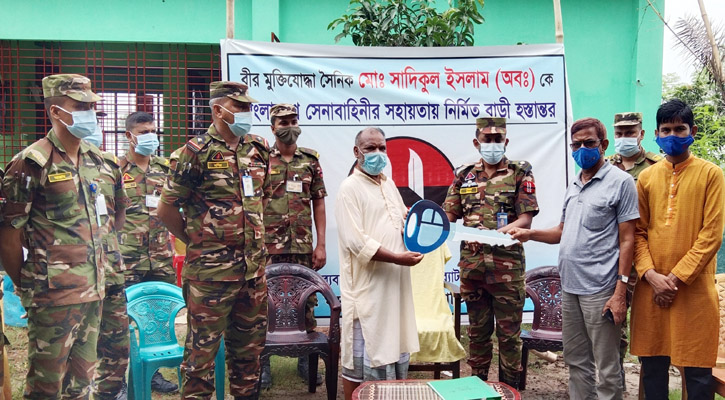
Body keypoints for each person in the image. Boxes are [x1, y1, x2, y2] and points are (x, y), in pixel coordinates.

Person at [509, 117, 639, 399]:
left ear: (603, 145)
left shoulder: (622, 182)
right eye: (576, 145)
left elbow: (628, 239)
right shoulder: (575, 183)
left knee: (607, 367)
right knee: (577, 361)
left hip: (601, 289)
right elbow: (561, 231)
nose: (582, 149)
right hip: (570, 288)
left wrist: (620, 291)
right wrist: (529, 234)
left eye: (589, 143)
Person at [158, 81, 270, 400]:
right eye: (240, 107)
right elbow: (166, 209)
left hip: (252, 275)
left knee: (249, 357)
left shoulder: (258, 149)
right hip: (210, 277)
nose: (247, 112)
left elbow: (260, 200)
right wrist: (197, 240)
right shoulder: (194, 153)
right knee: (200, 360)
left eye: (248, 107)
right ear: (219, 110)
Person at [0, 74, 106, 399]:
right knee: (46, 388)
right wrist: (25, 285)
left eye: (92, 107)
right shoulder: (31, 163)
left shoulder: (93, 158)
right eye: (81, 107)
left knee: (83, 384)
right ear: (56, 112)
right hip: (52, 296)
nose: (90, 113)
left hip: (93, 290)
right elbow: (8, 236)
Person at [630, 99, 724, 400]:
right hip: (651, 290)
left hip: (693, 291)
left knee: (698, 375)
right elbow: (638, 232)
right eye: (666, 129)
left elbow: (711, 235)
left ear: (692, 131)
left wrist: (673, 280)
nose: (672, 135)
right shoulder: (646, 178)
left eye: (679, 129)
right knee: (653, 368)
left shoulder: (711, 174)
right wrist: (651, 275)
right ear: (656, 133)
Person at [442, 117, 539, 389]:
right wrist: (425, 220)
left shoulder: (520, 172)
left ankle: (510, 391)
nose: (493, 144)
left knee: (509, 338)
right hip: (473, 270)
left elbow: (525, 219)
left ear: (506, 141)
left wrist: (494, 235)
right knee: (478, 336)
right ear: (477, 142)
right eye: (488, 139)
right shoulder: (464, 175)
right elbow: (448, 216)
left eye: (498, 139)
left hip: (506, 270)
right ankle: (478, 389)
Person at [336, 127, 423, 400]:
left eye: (382, 148)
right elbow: (356, 242)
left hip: (394, 285)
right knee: (358, 363)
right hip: (367, 290)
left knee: (394, 349)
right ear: (357, 152)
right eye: (370, 148)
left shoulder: (388, 183)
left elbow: (401, 221)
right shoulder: (349, 189)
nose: (377, 153)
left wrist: (413, 226)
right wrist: (397, 258)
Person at [261, 103, 327, 389]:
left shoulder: (310, 160)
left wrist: (321, 244)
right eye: (283, 122)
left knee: (306, 303)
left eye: (292, 121)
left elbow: (319, 202)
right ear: (273, 127)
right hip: (267, 247)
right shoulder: (262, 159)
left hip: (302, 246)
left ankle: (306, 360)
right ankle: (263, 365)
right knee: (264, 303)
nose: (289, 127)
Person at [117, 111, 177, 393]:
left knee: (156, 318)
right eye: (143, 132)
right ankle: (120, 378)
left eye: (153, 131)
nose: (150, 137)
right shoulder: (116, 169)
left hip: (160, 257)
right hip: (127, 259)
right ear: (129, 136)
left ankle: (153, 375)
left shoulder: (165, 169)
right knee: (122, 321)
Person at [606, 111, 662, 390]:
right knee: (613, 322)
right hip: (612, 258)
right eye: (619, 133)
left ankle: (648, 386)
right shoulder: (606, 166)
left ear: (641, 134)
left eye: (630, 133)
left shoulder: (657, 166)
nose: (624, 138)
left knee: (649, 327)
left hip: (647, 259)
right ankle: (614, 382)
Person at [84, 127, 131, 399]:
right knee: (71, 348)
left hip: (111, 271)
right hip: (70, 277)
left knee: (116, 344)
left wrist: (106, 240)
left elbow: (120, 213)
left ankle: (109, 393)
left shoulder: (110, 165)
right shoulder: (39, 162)